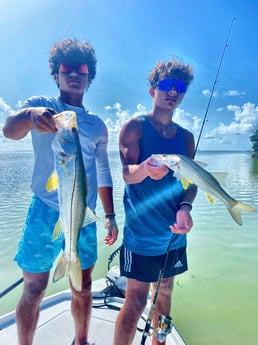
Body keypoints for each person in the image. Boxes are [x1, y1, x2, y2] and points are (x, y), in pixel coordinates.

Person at [3, 38, 119, 345]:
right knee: (35, 289)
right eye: (66, 68)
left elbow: (104, 172)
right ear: (56, 74)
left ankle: (81, 341)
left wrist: (110, 215)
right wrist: (30, 118)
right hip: (44, 208)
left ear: (89, 77)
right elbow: (9, 130)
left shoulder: (96, 125)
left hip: (85, 212)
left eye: (81, 69)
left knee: (82, 286)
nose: (74, 74)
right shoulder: (44, 106)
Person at [113, 59, 197, 345]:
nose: (173, 92)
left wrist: (186, 207)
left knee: (165, 296)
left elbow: (191, 182)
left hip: (174, 236)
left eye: (180, 87)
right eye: (167, 86)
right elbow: (126, 174)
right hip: (140, 237)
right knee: (135, 303)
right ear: (152, 90)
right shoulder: (135, 127)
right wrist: (145, 170)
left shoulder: (186, 138)